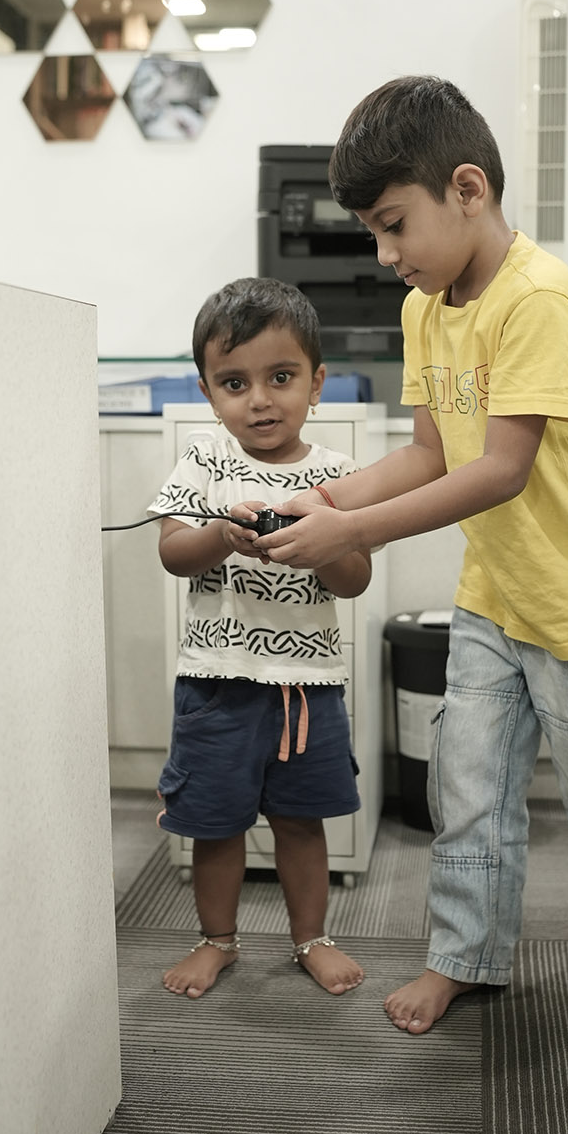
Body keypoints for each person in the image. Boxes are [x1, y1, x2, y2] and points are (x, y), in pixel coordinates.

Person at [254, 75, 568, 1034]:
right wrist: (326, 498)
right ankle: (463, 953)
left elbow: (499, 469)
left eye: (393, 226)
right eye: (372, 234)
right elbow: (428, 453)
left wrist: (354, 532)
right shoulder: (426, 309)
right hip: (495, 594)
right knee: (469, 785)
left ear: (467, 189)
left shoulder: (540, 299)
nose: (385, 255)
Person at [148, 276, 372, 1000]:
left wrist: (320, 544)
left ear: (317, 383)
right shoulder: (203, 460)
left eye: (281, 377)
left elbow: (355, 579)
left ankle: (311, 938)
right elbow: (173, 553)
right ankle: (217, 940)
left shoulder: (337, 475)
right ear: (209, 392)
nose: (260, 400)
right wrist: (222, 532)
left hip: (307, 689)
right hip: (217, 681)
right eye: (234, 383)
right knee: (214, 825)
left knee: (301, 823)